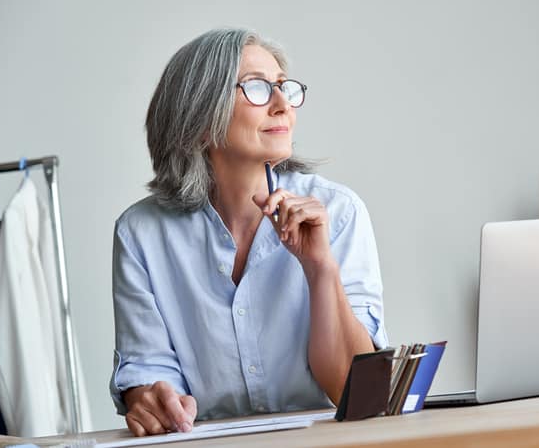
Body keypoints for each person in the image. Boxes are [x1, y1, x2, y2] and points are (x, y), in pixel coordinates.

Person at [109, 28, 389, 437]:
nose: (282, 106)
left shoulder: (339, 213)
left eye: (283, 88)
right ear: (200, 119)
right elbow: (149, 376)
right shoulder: (141, 234)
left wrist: (320, 267)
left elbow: (355, 390)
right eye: (257, 88)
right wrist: (151, 400)